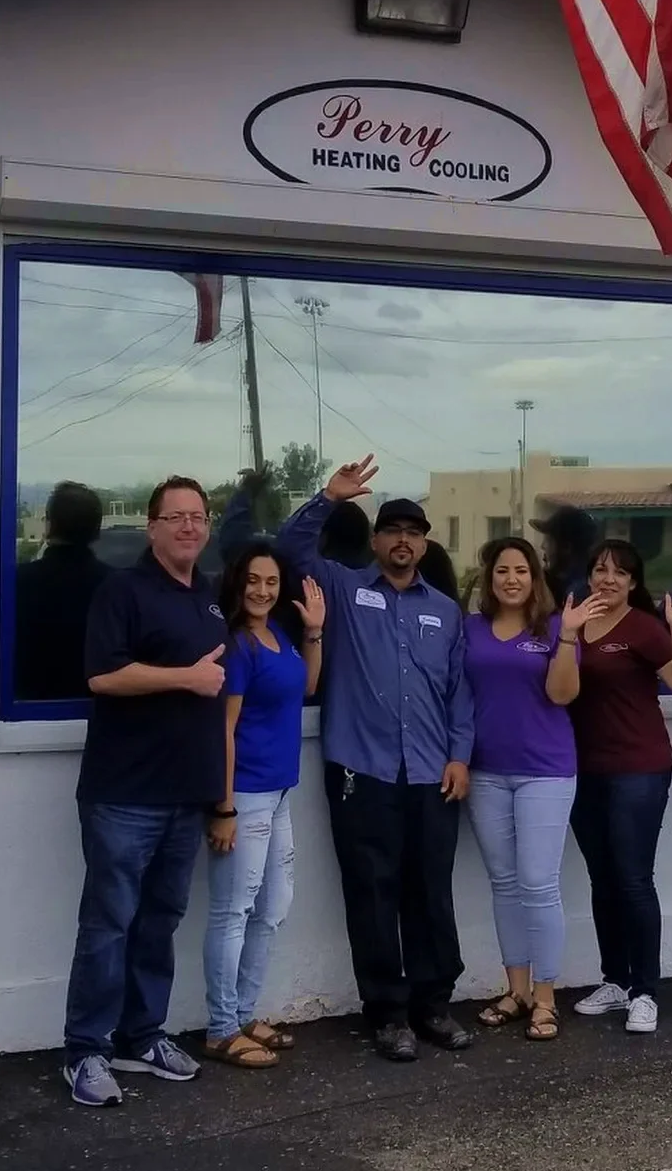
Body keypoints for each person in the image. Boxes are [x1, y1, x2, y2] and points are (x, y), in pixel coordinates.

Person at [276, 454, 475, 1063]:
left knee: (430, 892)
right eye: (393, 531)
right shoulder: (342, 588)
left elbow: (459, 693)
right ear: (376, 540)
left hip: (432, 773)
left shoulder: (445, 611)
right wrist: (328, 498)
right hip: (361, 771)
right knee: (372, 892)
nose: (403, 542)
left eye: (414, 533)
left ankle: (433, 1005)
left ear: (424, 545)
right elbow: (288, 552)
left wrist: (460, 756)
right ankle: (388, 1013)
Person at [61, 475, 228, 1107]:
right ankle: (85, 1050)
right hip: (125, 795)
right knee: (109, 925)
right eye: (175, 516)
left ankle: (141, 1036)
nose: (188, 526)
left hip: (184, 795)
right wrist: (186, 678)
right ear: (152, 527)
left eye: (198, 516)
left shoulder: (207, 596)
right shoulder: (122, 591)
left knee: (160, 923)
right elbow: (103, 677)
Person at [567, 541, 672, 1035]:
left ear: (633, 583)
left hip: (638, 768)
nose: (608, 579)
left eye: (619, 573)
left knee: (633, 879)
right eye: (600, 570)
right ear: (588, 576)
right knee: (603, 878)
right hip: (584, 769)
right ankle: (616, 981)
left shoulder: (643, 628)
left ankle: (645, 991)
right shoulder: (571, 624)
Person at [463, 537, 593, 1043]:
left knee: (538, 883)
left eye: (521, 570)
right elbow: (459, 694)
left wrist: (568, 638)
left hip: (545, 771)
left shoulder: (557, 627)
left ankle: (545, 997)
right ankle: (516, 991)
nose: (511, 579)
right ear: (490, 578)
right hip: (486, 772)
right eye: (502, 571)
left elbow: (563, 694)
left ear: (534, 578)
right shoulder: (471, 630)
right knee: (504, 883)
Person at [203, 546, 324, 1068]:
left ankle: (244, 1014)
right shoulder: (236, 645)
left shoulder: (277, 635)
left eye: (271, 582)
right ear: (238, 582)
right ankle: (220, 1029)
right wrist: (224, 806)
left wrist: (314, 632)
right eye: (253, 580)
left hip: (277, 794)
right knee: (233, 911)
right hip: (245, 796)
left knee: (272, 908)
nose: (262, 591)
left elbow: (309, 685)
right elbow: (224, 729)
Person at [13, 481, 109, 702]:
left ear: (49, 524)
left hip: (27, 705)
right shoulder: (116, 586)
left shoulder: (16, 583)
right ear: (96, 529)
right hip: (99, 708)